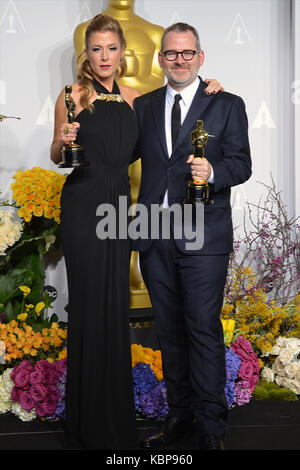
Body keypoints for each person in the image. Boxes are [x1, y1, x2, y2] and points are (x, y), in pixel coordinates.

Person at [50, 14, 222, 450]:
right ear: (85, 54)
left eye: (111, 48)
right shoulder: (73, 95)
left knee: (113, 307)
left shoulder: (135, 99)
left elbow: (174, 127)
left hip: (120, 210)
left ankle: (114, 421)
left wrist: (209, 90)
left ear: (122, 52)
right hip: (84, 204)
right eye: (96, 49)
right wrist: (64, 137)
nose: (104, 56)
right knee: (89, 306)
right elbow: (57, 151)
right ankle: (87, 423)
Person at [133, 22, 251, 450]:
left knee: (202, 330)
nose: (178, 60)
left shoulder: (226, 104)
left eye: (187, 53)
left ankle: (211, 429)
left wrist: (214, 173)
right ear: (160, 59)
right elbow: (119, 152)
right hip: (154, 233)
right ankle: (178, 421)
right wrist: (77, 136)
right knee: (169, 333)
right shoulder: (143, 106)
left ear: (200, 57)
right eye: (171, 53)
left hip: (204, 235)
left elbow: (242, 163)